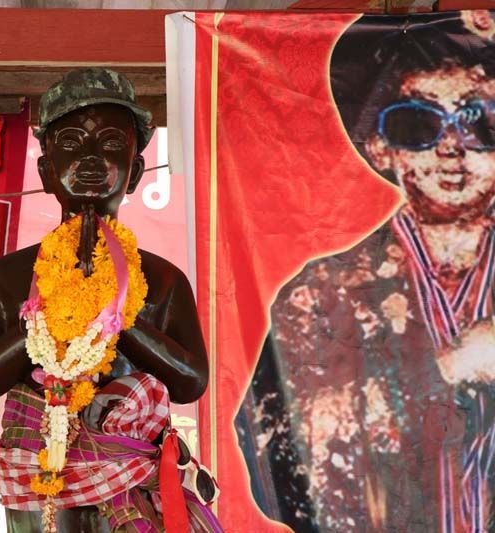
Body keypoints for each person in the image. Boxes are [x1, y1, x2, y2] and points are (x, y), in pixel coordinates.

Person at [243, 11, 495, 532]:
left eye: (478, 123)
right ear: (381, 147)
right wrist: (445, 370)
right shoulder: (321, 295)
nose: (452, 148)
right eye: (418, 125)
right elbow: (280, 465)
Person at [0, 69, 219, 532]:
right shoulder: (8, 276)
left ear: (135, 172)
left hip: (131, 467)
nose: (91, 160)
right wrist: (45, 316)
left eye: (111, 144)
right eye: (72, 143)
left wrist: (117, 315)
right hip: (38, 466)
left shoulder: (162, 280)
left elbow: (191, 383)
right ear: (46, 171)